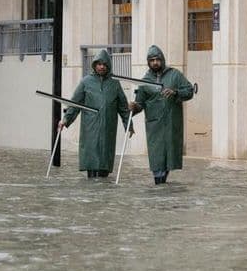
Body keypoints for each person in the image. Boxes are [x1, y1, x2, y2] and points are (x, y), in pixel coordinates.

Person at [58, 49, 132, 178]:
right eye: (99, 64)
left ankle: (102, 193)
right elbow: (74, 104)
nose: (102, 66)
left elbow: (124, 108)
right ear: (94, 65)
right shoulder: (86, 82)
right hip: (90, 129)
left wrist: (129, 125)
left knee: (104, 165)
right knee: (92, 164)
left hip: (108, 129)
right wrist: (65, 120)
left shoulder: (115, 83)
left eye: (104, 64)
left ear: (108, 65)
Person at [129, 45, 194, 185]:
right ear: (148, 62)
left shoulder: (175, 75)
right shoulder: (144, 81)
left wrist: (176, 92)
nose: (155, 62)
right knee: (157, 157)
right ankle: (159, 185)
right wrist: (134, 107)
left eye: (157, 59)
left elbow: (189, 91)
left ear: (162, 60)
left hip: (171, 123)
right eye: (152, 60)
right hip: (154, 125)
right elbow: (140, 104)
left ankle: (163, 187)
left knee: (169, 157)